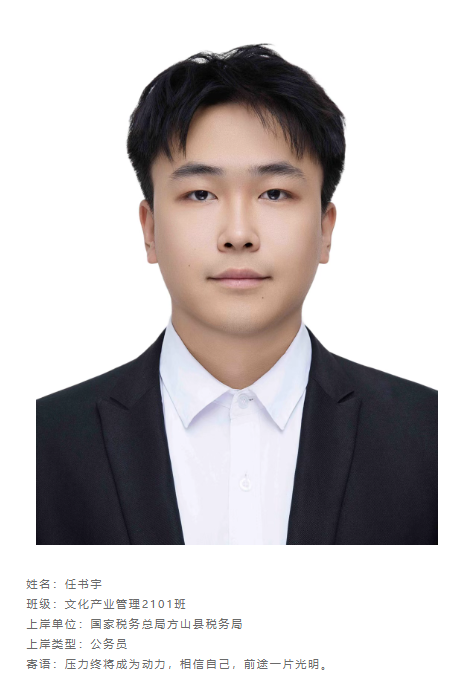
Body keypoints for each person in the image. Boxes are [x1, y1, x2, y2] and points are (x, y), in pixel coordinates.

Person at [36, 44, 437, 545]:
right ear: (150, 230)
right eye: (200, 194)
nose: (239, 234)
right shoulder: (40, 443)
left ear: (325, 229)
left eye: (275, 193)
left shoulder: (434, 437)